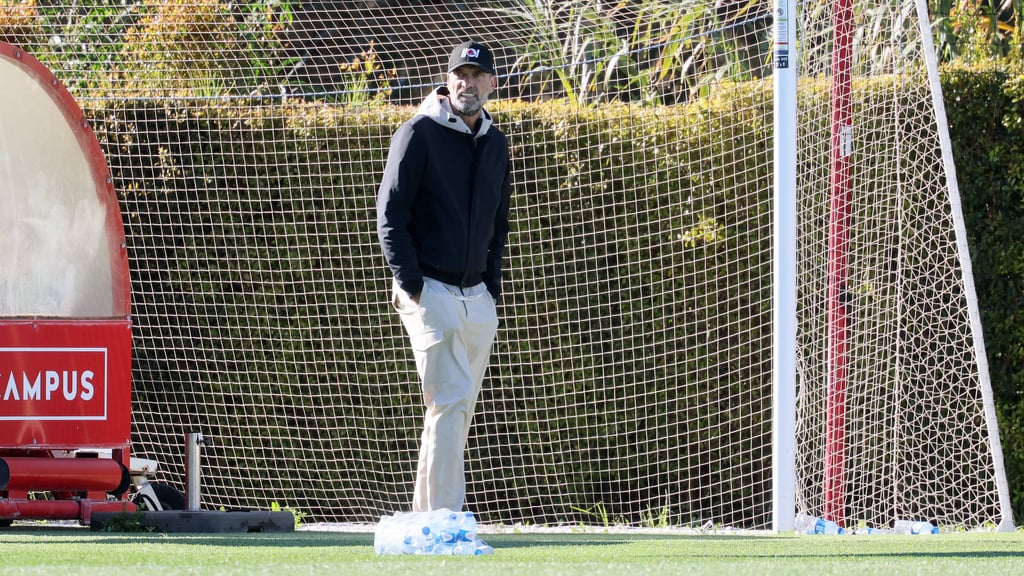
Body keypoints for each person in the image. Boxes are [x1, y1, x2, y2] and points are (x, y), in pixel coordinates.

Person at [377, 40, 512, 512]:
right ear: (448, 78)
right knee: (450, 402)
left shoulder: (496, 142)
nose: (467, 83)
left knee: (453, 412)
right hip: (428, 291)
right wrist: (411, 284)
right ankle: (448, 519)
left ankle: (425, 520)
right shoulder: (417, 132)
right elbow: (390, 214)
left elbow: (500, 221)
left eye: (477, 75)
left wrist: (490, 289)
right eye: (460, 73)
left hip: (477, 298)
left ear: (492, 83)